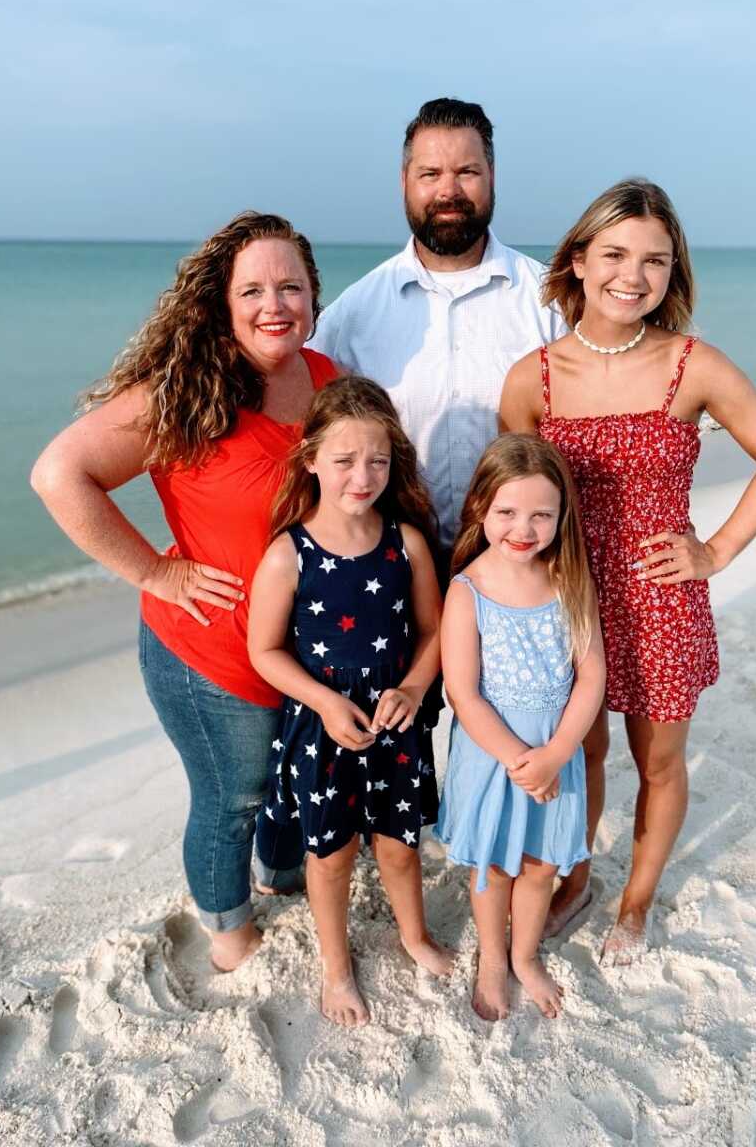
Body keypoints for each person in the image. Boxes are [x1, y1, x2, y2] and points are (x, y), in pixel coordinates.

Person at [499, 179, 756, 962]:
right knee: (585, 753)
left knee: (658, 760)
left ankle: (635, 902)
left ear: (674, 273)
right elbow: (510, 498)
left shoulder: (692, 365)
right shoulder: (531, 377)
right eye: (615, 255)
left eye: (655, 261)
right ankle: (576, 877)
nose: (632, 276)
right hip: (567, 598)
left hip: (663, 597)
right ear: (577, 259)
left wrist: (716, 551)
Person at [30, 212, 339, 972]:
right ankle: (229, 931)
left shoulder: (327, 377)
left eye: (291, 286)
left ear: (313, 296)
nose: (276, 305)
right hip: (210, 653)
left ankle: (277, 875)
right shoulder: (181, 392)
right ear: (222, 304)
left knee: (283, 784)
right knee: (233, 798)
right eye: (255, 290)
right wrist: (154, 571)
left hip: (301, 651)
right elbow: (58, 475)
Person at [248, 376, 454, 1028]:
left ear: (395, 462)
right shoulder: (289, 555)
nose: (361, 476)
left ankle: (413, 936)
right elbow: (266, 651)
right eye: (343, 461)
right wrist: (326, 703)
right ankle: (336, 967)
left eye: (377, 460)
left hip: (395, 727)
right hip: (321, 731)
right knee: (330, 855)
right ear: (310, 459)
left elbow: (434, 631)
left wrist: (417, 687)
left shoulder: (407, 544)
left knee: (399, 846)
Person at [310, 97, 568, 548]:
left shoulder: (552, 302)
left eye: (466, 172)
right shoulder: (353, 314)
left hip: (521, 563)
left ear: (492, 178)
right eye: (430, 174)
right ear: (404, 182)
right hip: (394, 570)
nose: (448, 191)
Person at [435, 434, 605, 1020]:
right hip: (495, 756)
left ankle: (526, 955)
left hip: (557, 754)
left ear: (562, 516)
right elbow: (463, 691)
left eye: (541, 514)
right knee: (497, 865)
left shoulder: (569, 582)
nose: (523, 528)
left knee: (539, 867)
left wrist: (557, 753)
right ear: (481, 507)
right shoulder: (468, 591)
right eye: (507, 512)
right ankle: (490, 958)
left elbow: (592, 677)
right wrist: (520, 759)